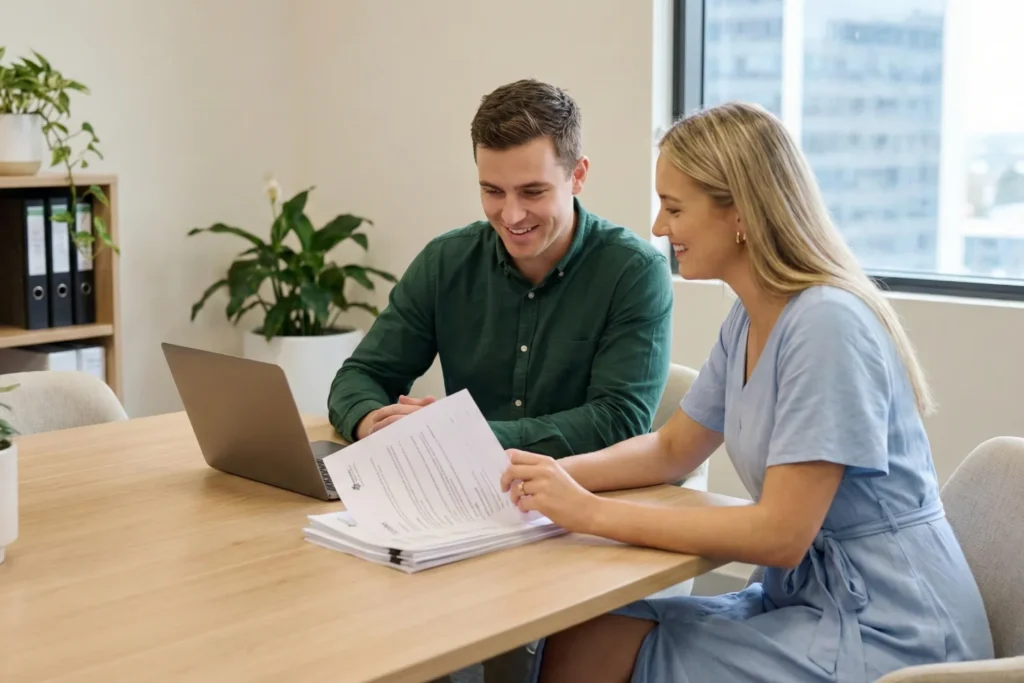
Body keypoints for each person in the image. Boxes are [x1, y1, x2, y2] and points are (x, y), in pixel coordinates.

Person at [499, 101, 995, 683]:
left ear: (740, 210)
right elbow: (671, 450)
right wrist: (538, 477)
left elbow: (780, 534)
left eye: (675, 208)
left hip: (893, 630)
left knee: (606, 647)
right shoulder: (750, 319)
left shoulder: (826, 324)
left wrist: (589, 512)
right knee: (586, 631)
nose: (659, 228)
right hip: (813, 601)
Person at [327, 78, 674, 461]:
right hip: (464, 495)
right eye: (492, 191)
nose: (510, 215)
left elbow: (618, 422)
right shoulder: (446, 262)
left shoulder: (634, 272)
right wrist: (377, 424)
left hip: (584, 502)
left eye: (532, 192)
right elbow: (361, 376)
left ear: (577, 176)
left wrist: (457, 435)